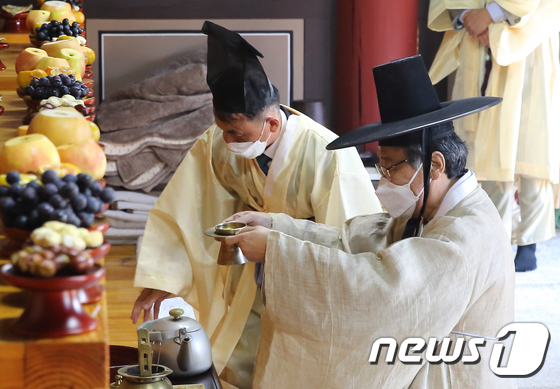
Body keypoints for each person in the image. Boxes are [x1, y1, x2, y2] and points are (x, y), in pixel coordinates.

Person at [222, 56, 517, 388]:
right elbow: (355, 241)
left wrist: (277, 252)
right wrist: (277, 227)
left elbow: (381, 288)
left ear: (435, 165)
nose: (383, 182)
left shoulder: (463, 239)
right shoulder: (434, 211)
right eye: (381, 169)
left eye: (391, 168)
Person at [131, 21, 382, 389]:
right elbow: (187, 208)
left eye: (238, 133)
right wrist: (164, 278)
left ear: (271, 124)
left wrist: (282, 245)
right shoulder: (218, 143)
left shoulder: (328, 155)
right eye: (223, 130)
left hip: (306, 279)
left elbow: (350, 237)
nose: (228, 140)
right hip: (247, 279)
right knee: (237, 362)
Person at [427, 0, 560, 271]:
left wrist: (492, 14)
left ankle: (528, 243)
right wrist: (467, 15)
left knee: (530, 144)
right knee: (482, 148)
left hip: (530, 44)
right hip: (477, 44)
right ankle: (491, 236)